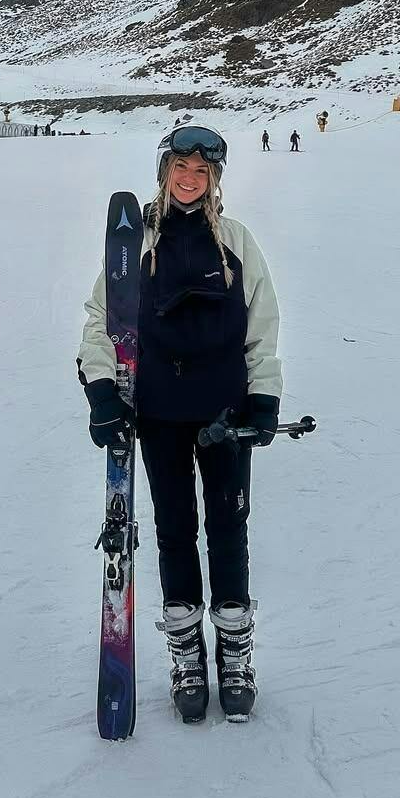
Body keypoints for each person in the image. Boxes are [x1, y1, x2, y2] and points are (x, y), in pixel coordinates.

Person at [78, 126, 282, 724]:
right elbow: (103, 321)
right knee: (174, 533)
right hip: (161, 413)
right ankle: (187, 657)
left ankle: (235, 657)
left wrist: (263, 398)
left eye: (201, 170)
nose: (189, 179)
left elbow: (262, 324)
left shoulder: (236, 241)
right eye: (180, 167)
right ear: (164, 171)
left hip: (225, 414)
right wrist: (102, 392)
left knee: (228, 532)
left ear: (214, 179)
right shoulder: (135, 244)